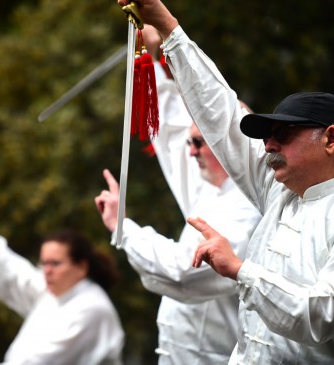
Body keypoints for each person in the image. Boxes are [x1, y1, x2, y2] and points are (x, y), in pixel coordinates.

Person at [114, 1, 334, 364]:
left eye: (283, 133)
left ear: (330, 140)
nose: (268, 144)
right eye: (266, 134)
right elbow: (221, 114)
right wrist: (169, 28)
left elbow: (321, 316)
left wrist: (239, 269)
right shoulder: (278, 194)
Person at [94, 26, 261, 364]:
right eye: (192, 141)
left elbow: (182, 271)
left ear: (229, 146)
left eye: (199, 142)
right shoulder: (209, 190)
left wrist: (123, 229)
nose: (191, 151)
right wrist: (154, 58)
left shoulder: (250, 208)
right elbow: (171, 128)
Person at [0, 197, 125, 365]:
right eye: (44, 263)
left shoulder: (92, 308)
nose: (47, 271)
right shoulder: (53, 295)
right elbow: (11, 270)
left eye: (55, 263)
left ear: (81, 267)